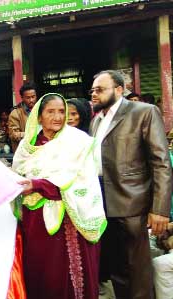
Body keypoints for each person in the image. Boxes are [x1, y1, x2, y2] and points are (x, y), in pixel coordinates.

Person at [13, 93, 106, 299]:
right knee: (43, 270)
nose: (57, 117)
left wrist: (38, 184)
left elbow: (83, 178)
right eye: (51, 112)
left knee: (66, 272)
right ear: (39, 116)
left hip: (70, 217)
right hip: (37, 220)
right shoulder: (27, 145)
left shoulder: (76, 141)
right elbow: (18, 172)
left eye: (61, 111)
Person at [89, 70, 172, 299]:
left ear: (118, 89)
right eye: (93, 90)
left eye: (100, 89)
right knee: (118, 271)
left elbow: (161, 163)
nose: (94, 94)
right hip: (104, 206)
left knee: (137, 273)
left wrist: (159, 209)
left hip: (132, 204)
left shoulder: (143, 112)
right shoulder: (97, 120)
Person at [8, 82, 37, 152]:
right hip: (24, 153)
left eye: (33, 96)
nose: (31, 100)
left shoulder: (41, 110)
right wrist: (33, 134)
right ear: (22, 98)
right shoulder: (15, 114)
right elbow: (13, 134)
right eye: (28, 98)